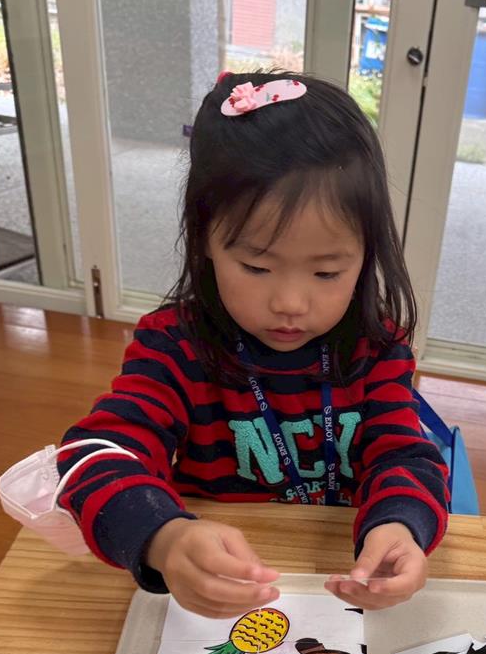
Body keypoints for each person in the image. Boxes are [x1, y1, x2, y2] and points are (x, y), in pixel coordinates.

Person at [57, 72, 449, 619]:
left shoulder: (375, 350)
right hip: (211, 596)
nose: (289, 302)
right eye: (256, 267)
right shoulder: (174, 348)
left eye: (327, 272)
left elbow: (405, 455)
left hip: (333, 585)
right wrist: (164, 538)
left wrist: (400, 525)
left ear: (366, 256)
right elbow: (92, 454)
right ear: (205, 240)